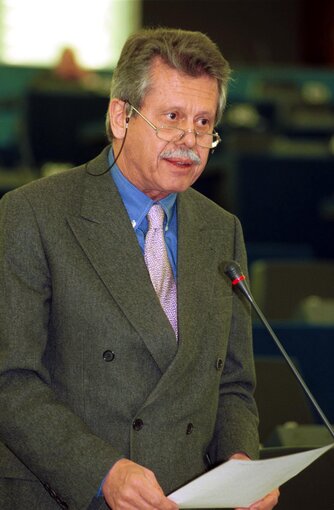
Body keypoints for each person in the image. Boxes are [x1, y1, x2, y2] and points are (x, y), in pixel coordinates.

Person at [0, 28, 279, 510]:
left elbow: (232, 383)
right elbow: (11, 380)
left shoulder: (221, 230)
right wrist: (101, 471)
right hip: (67, 494)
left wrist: (240, 462)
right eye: (171, 118)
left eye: (203, 123)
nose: (188, 141)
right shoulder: (34, 214)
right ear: (120, 117)